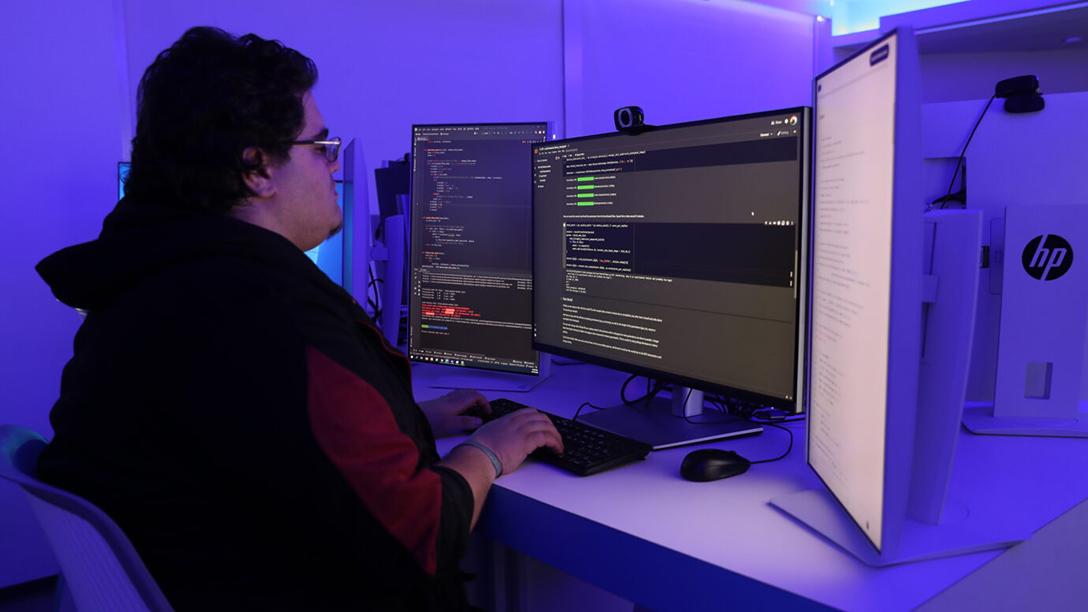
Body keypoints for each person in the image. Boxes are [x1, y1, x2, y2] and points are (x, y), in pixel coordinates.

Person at [35, 26, 562, 611]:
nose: (332, 167)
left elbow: (260, 435)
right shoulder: (266, 315)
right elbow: (420, 537)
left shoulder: (158, 281)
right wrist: (489, 451)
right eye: (320, 147)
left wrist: (409, 420)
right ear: (256, 168)